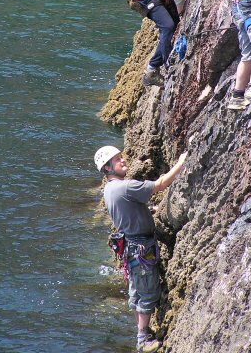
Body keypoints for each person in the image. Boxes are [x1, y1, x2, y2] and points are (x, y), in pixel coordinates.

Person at [94, 145, 187, 353]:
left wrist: (147, 210)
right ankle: (143, 338)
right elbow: (161, 184)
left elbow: (129, 208)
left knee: (136, 292)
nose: (124, 160)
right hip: (141, 247)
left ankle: (141, 330)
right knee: (147, 291)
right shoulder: (125, 187)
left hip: (130, 246)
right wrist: (181, 163)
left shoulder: (109, 189)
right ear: (108, 168)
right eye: (118, 159)